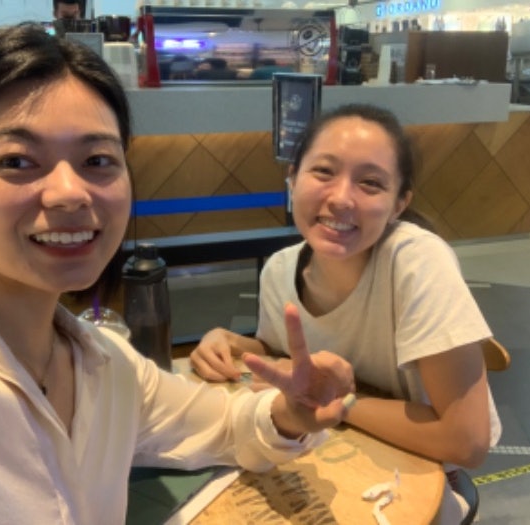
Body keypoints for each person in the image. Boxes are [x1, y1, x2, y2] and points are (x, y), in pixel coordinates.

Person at [0, 24, 356, 524]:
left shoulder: (107, 365)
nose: (70, 193)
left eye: (97, 159)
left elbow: (227, 424)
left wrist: (291, 412)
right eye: (17, 161)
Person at [190, 103, 502, 524]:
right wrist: (232, 343)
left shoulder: (416, 262)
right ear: (292, 179)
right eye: (323, 172)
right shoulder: (281, 269)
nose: (340, 199)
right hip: (327, 465)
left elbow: (467, 441)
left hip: (414, 488)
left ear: (399, 203)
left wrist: (335, 402)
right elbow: (287, 357)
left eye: (370, 183)